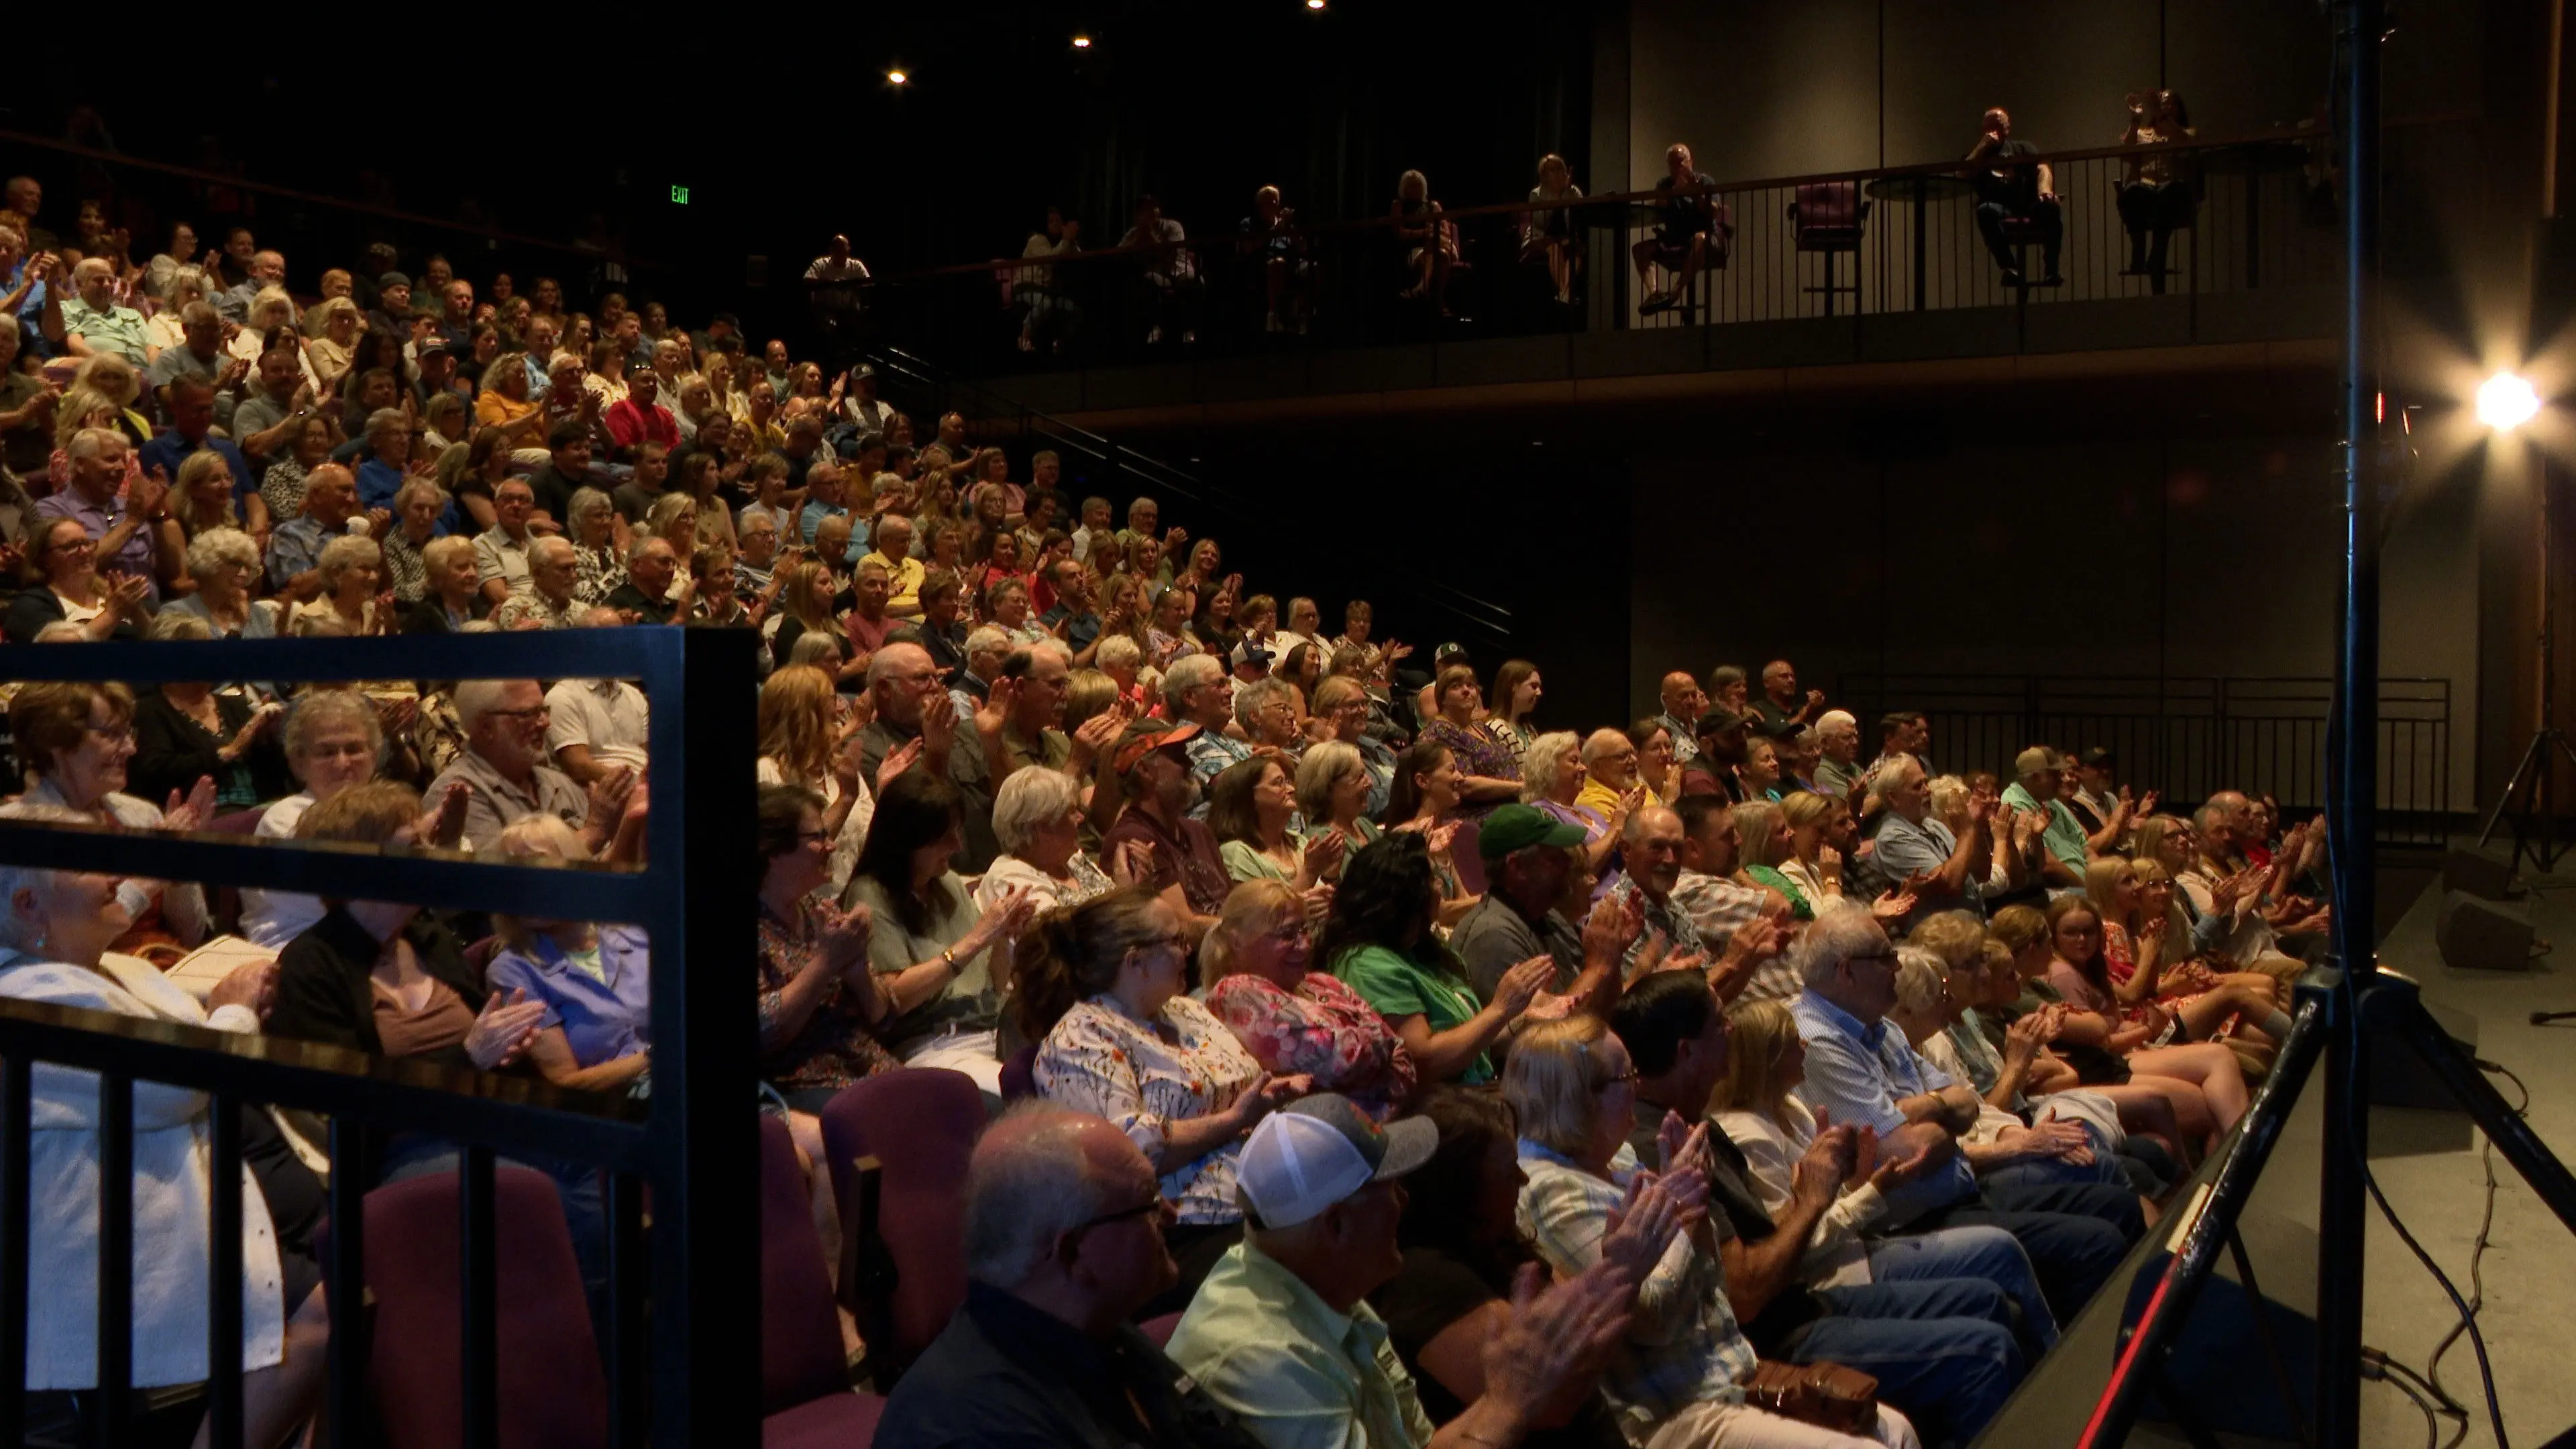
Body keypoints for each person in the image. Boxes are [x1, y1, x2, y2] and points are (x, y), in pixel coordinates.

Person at [0, 824, 331, 1449]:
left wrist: (219, 1016)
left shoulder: (118, 964)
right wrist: (230, 1013)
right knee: (324, 1314)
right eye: (93, 867)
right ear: (28, 908)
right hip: (113, 1243)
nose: (117, 879)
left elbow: (182, 1034)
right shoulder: (21, 997)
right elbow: (176, 1083)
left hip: (208, 1198)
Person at [1612, 976, 2041, 1449]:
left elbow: (1763, 1241)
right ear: (1687, 1051)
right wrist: (1813, 1200)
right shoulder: (1663, 1144)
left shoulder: (1699, 1122)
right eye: (1720, 1024)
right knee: (1986, 1349)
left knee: (1987, 1298)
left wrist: (1825, 1193)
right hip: (1767, 1338)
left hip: (1800, 1297)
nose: (1732, 1030)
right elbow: (1747, 1293)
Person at [1503, 1018, 1923, 1449]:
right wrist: (1685, 1214)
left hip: (1728, 1372)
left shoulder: (1622, 1158)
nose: (1637, 1085)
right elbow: (1651, 1323)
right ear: (1579, 1097)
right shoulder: (1552, 1191)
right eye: (1625, 1075)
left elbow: (1712, 1283)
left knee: (1897, 1430)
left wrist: (1696, 1213)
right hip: (1670, 1412)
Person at [1168, 1093, 1645, 1449]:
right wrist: (1508, 1402)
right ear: (1336, 1224)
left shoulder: (1326, 1288)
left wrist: (1511, 1393)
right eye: (1390, 1189)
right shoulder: (1263, 1356)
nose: (1405, 1201)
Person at [1785, 907, 2139, 1326]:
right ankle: (2102, 1365)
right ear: (1846, 971)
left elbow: (1968, 1104)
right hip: (1906, 1216)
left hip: (1955, 1178)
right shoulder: (1818, 1040)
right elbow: (1906, 1152)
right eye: (1885, 958)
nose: (1896, 967)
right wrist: (1941, 1114)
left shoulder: (1880, 1026)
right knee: (2096, 1239)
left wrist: (1923, 1111)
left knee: (2106, 1181)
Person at [876, 1100, 1274, 1448]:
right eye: (1149, 1203)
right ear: (1073, 1254)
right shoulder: (981, 1430)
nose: (1170, 1214)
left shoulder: (1098, 1330)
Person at [1022, 888, 1302, 1313]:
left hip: (1263, 1189)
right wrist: (1231, 1121)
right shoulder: (1081, 1039)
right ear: (1134, 961)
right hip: (1185, 1228)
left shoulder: (1185, 1011)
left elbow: (1245, 1081)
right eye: (1175, 942)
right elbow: (1127, 1153)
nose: (1187, 952)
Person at [843, 770, 1038, 1093]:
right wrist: (977, 939)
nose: (957, 846)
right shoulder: (870, 894)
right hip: (934, 1045)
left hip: (992, 1032)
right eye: (945, 837)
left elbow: (994, 979)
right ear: (910, 842)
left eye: (958, 833)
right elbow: (895, 999)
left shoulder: (947, 884)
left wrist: (1002, 935)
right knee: (1025, 1095)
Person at [1320, 833, 1550, 1088]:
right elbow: (1424, 1061)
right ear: (1408, 895)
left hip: (1476, 1092)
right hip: (1440, 1110)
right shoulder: (1366, 964)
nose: (1441, 885)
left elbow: (1468, 1048)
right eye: (1433, 879)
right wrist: (1500, 1009)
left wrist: (1522, 1021)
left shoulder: (1419, 950)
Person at [9, 682, 213, 954]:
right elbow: (60, 944)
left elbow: (192, 934)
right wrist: (155, 870)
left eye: (128, 732)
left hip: (171, 967)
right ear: (55, 741)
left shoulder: (142, 815)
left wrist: (180, 864)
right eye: (112, 734)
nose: (131, 748)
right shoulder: (20, 832)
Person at [1204, 879, 1418, 1120]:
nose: (1305, 945)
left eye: (1304, 929)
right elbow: (1340, 1061)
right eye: (1287, 935)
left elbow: (1400, 1049)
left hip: (1384, 1124)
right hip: (1327, 1140)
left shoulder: (1321, 982)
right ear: (1237, 941)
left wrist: (1378, 1047)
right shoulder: (1235, 992)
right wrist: (1381, 1046)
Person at [754, 783, 903, 1106]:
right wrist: (824, 964)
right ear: (775, 851)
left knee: (968, 1105)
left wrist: (858, 969)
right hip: (804, 1085)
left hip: (868, 1068)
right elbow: (763, 1035)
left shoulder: (817, 911)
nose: (831, 846)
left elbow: (884, 1018)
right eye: (818, 837)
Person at [484, 816, 654, 1093]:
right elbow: (565, 1084)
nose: (525, 885)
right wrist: (656, 1058)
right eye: (513, 874)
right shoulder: (513, 971)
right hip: (622, 1111)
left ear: (574, 866)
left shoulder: (631, 929)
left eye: (537, 865)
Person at [1449, 803, 1629, 1014]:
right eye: (1554, 858)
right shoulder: (1493, 937)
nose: (1568, 864)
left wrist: (1613, 954)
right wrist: (1599, 966)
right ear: (1517, 867)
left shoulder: (1548, 915)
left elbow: (1605, 1009)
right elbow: (1542, 1040)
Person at [427, 678, 630, 853]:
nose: (545, 723)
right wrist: (593, 831)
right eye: (527, 714)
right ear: (486, 727)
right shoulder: (457, 795)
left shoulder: (558, 783)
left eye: (543, 710)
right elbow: (504, 882)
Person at [128, 613, 290, 808]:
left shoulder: (235, 706)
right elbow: (154, 775)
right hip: (199, 818)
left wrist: (265, 739)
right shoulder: (148, 712)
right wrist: (226, 753)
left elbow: (279, 776)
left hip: (261, 812)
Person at [1102, 722, 1236, 932]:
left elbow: (1231, 902)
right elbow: (1182, 926)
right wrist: (1248, 930)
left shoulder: (1197, 830)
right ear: (1145, 770)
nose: (1190, 763)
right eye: (1177, 756)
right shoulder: (1133, 838)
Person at [979, 765, 1116, 912]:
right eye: (1071, 812)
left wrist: (1125, 880)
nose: (1081, 818)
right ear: (1041, 827)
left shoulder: (1071, 858)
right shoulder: (1012, 878)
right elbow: (1058, 934)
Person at [8, 515, 150, 643]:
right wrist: (112, 613)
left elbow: (158, 640)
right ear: (44, 560)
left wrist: (136, 611)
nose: (85, 551)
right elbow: (56, 652)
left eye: (87, 543)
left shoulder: (111, 595)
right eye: (71, 546)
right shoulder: (31, 603)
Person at [1211, 755, 1342, 892]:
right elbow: (1266, 912)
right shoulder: (1238, 853)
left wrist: (1330, 877)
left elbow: (1323, 898)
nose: (1291, 789)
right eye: (1279, 783)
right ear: (1248, 796)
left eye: (1288, 781)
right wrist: (1309, 872)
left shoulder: (1297, 840)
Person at [1968, 107, 2062, 286]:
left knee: (2051, 208)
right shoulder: (1979, 155)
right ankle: (2010, 267)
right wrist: (1981, 146)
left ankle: (2052, 270)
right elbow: (1962, 173)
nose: (1993, 131)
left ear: (2007, 129)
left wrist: (2044, 190)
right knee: (1985, 211)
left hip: (2028, 203)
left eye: (1998, 126)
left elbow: (2042, 168)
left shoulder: (2023, 148)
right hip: (1999, 206)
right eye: (1989, 127)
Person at [2116, 89, 2196, 292]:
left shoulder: (2186, 132)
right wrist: (2135, 121)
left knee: (2169, 195)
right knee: (2132, 192)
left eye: (2170, 104)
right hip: (2145, 187)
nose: (2166, 107)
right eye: (2162, 104)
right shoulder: (2144, 133)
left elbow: (2186, 144)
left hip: (2171, 189)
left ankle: (2157, 256)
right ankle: (2139, 249)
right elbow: (2126, 155)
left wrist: (2162, 117)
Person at [1419, 665, 1523, 821]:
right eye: (1456, 686)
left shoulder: (1483, 728)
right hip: (1477, 817)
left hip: (1513, 807)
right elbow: (1464, 785)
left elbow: (1508, 768)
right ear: (1442, 698)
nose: (1466, 690)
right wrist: (1519, 788)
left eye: (1471, 686)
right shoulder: (1440, 731)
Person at [1633, 144, 1723, 315]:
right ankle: (1655, 293)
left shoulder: (1705, 181)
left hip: (1703, 238)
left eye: (1681, 162)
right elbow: (1657, 208)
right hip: (1674, 238)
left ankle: (1676, 291)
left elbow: (1714, 212)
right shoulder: (1664, 184)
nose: (1678, 168)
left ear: (1690, 162)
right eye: (1672, 164)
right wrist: (1674, 192)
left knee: (1700, 238)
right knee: (1639, 249)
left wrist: (1696, 194)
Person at [1390, 170, 1458, 317]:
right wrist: (1423, 233)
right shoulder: (1399, 206)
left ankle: (1422, 288)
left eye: (1418, 185)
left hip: (1444, 244)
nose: (1415, 189)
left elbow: (1447, 232)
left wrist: (1433, 233)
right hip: (1417, 249)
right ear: (1404, 188)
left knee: (1434, 242)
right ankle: (1440, 303)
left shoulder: (1433, 206)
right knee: (1441, 256)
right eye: (1411, 186)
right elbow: (1399, 233)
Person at [1521, 154, 1586, 306]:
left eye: (1559, 169)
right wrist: (1558, 197)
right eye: (1552, 170)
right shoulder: (1536, 194)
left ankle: (1564, 293)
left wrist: (1567, 192)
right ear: (1544, 176)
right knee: (1555, 248)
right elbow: (1540, 223)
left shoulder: (1574, 192)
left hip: (1566, 237)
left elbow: (1577, 220)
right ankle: (1565, 293)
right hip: (1540, 238)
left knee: (1575, 252)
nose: (1557, 173)